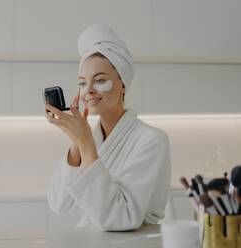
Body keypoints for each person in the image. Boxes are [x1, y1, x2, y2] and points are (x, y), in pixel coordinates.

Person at [45, 24, 171, 231]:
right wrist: (77, 143)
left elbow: (121, 219)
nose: (89, 91)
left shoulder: (152, 140)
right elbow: (59, 204)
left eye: (100, 80)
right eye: (83, 83)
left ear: (122, 85)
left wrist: (85, 144)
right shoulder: (91, 138)